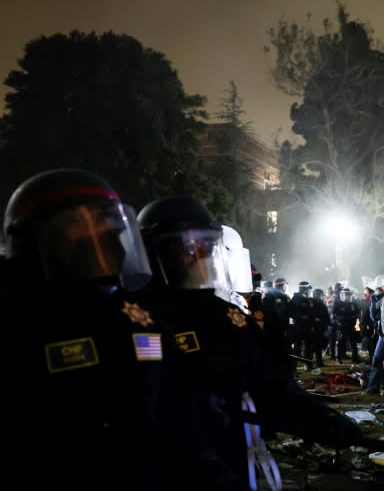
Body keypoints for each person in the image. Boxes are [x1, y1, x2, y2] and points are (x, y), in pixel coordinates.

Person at [1, 168, 239, 490]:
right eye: (81, 221)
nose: (106, 231)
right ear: (34, 235)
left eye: (110, 220)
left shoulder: (136, 320)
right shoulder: (18, 325)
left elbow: (177, 425)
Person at [137, 196, 362, 489]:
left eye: (207, 246)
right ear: (155, 253)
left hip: (228, 460)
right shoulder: (137, 322)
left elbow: (270, 384)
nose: (200, 256)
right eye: (189, 247)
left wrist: (323, 420)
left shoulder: (225, 317)